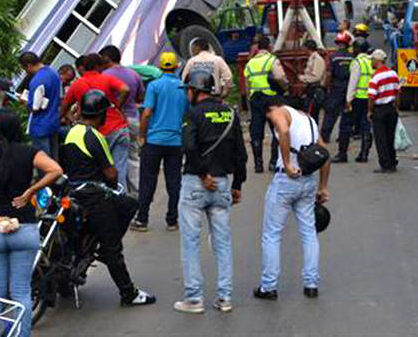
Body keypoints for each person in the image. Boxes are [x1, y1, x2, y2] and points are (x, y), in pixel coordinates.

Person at [0, 109, 63, 337]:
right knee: (21, 293)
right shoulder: (29, 153)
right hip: (24, 228)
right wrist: (31, 190)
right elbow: (56, 170)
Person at [60, 90, 156, 307]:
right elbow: (111, 173)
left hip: (74, 192)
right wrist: (112, 189)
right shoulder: (94, 136)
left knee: (127, 205)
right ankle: (128, 292)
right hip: (94, 196)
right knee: (113, 244)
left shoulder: (71, 132)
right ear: (101, 114)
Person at [173, 72, 247, 314]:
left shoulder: (193, 114)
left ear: (195, 90)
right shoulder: (229, 113)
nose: (187, 94)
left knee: (191, 243)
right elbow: (240, 152)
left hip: (196, 183)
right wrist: (238, 184)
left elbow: (190, 146)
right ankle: (225, 298)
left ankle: (194, 299)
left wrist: (204, 175)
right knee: (223, 243)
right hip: (223, 184)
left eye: (188, 90)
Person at [253, 96, 331, 301]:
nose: (270, 119)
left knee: (272, 234)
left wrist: (287, 163)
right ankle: (311, 283)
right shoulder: (310, 121)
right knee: (308, 232)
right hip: (308, 182)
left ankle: (268, 286)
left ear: (271, 107)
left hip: (286, 181)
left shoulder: (280, 112)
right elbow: (324, 153)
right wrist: (323, 186)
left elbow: (284, 131)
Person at [131, 52, 189, 232]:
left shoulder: (154, 86)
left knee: (148, 180)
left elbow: (147, 113)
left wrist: (142, 135)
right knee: (174, 181)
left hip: (154, 141)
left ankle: (142, 219)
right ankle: (172, 220)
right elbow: (187, 112)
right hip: (175, 141)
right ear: (177, 67)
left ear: (160, 67)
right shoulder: (183, 87)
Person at [61, 53, 130, 193]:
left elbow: (64, 108)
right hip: (118, 128)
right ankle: (121, 199)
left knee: (100, 172)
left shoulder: (76, 85)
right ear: (98, 66)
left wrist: (74, 120)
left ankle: (106, 201)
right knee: (119, 170)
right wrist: (117, 107)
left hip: (95, 134)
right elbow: (125, 89)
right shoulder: (107, 78)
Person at [99, 45, 145, 196]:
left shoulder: (104, 76)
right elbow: (140, 97)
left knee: (114, 159)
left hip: (113, 122)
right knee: (134, 158)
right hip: (133, 118)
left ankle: (116, 193)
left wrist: (117, 106)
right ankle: (137, 194)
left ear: (107, 58)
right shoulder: (134, 74)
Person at [244, 36, 288, 173]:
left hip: (255, 99)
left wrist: (248, 101)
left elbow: (247, 84)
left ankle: (258, 164)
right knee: (276, 129)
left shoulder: (250, 63)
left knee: (256, 131)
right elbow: (280, 77)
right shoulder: (272, 60)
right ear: (268, 46)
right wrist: (285, 87)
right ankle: (273, 162)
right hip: (271, 99)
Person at [19, 52, 61, 158]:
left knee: (44, 162)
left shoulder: (37, 80)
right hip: (53, 122)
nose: (26, 72)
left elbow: (35, 107)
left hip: (40, 126)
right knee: (54, 159)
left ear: (28, 66)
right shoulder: (53, 73)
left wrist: (25, 101)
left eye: (25, 69)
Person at [321, 33, 354, 163]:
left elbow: (329, 74)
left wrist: (324, 88)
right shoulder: (353, 58)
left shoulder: (333, 57)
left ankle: (323, 141)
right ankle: (343, 143)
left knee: (330, 115)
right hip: (348, 90)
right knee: (346, 118)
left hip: (336, 89)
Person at [367, 49, 400, 173]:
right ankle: (392, 162)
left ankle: (385, 164)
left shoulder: (375, 77)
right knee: (390, 137)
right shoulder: (393, 74)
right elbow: (397, 93)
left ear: (376, 61)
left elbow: (371, 97)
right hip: (391, 108)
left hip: (379, 109)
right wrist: (396, 108)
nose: (371, 61)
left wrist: (370, 111)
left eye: (372, 60)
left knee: (380, 138)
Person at [347, 38, 374, 162]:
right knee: (366, 126)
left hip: (358, 98)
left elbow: (353, 82)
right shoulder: (371, 61)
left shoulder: (357, 62)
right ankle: (364, 153)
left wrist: (348, 99)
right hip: (370, 98)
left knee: (348, 125)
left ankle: (346, 152)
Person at [299, 39, 327, 123]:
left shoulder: (317, 60)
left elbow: (317, 77)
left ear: (308, 48)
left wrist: (303, 78)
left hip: (315, 90)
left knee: (312, 115)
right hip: (310, 89)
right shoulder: (312, 58)